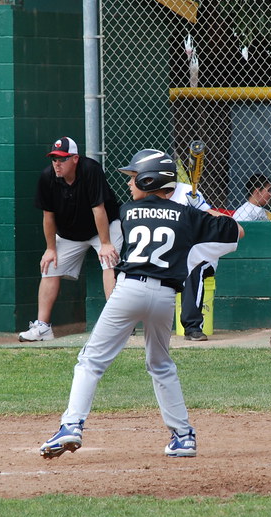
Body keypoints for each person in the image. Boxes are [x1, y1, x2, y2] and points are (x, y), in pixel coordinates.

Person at [39, 149, 243, 459]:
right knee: (160, 364)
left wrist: (184, 211)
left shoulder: (127, 211)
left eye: (135, 178)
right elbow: (237, 231)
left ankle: (71, 425)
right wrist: (199, 211)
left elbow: (152, 214)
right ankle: (184, 436)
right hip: (164, 299)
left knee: (91, 361)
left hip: (129, 291)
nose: (130, 184)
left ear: (150, 180)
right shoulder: (187, 215)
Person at [18, 137, 122, 342]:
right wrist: (50, 248)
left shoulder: (91, 170)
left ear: (75, 159)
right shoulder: (47, 177)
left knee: (109, 262)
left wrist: (106, 244)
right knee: (48, 267)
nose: (57, 163)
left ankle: (115, 326)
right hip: (69, 233)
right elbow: (48, 216)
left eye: (62, 159)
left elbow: (98, 209)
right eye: (54, 158)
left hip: (104, 227)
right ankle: (43, 328)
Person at [171, 177, 222, 341]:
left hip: (198, 253)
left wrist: (197, 208)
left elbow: (213, 216)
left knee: (193, 266)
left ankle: (193, 327)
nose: (131, 182)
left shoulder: (186, 193)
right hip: (170, 255)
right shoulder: (145, 197)